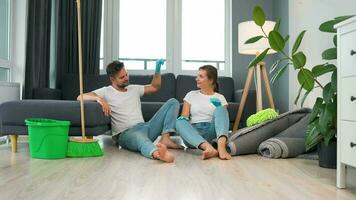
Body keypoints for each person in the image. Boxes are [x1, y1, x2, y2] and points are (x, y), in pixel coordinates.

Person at [79, 60, 181, 162]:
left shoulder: (134, 88)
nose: (126, 78)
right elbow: (80, 96)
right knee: (140, 139)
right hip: (126, 133)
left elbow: (155, 87)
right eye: (122, 77)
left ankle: (166, 138)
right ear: (112, 79)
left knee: (173, 102)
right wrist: (99, 99)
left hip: (146, 127)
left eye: (126, 74)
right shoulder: (106, 91)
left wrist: (157, 70)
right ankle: (157, 154)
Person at [176, 65, 231, 160]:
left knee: (221, 109)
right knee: (179, 121)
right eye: (197, 76)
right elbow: (184, 116)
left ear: (211, 80)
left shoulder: (220, 97)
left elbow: (223, 120)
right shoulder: (191, 95)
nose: (196, 79)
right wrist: (183, 120)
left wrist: (219, 107)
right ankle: (208, 148)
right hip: (193, 136)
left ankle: (221, 148)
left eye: (201, 76)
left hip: (211, 133)